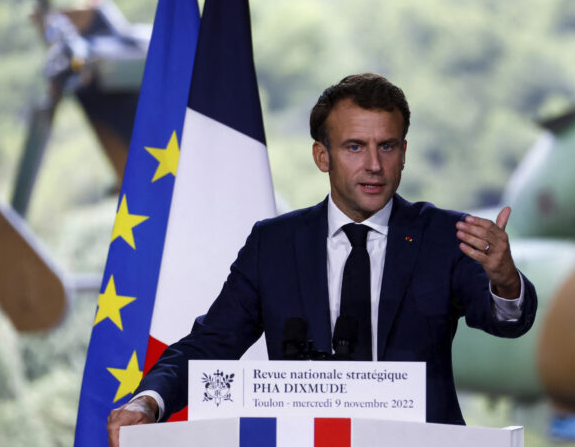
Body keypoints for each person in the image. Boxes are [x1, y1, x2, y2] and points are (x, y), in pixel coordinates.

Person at [106, 73, 537, 445]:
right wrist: (150, 401)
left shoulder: (444, 235)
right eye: (354, 147)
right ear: (321, 156)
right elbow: (210, 343)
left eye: (386, 146)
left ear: (403, 153)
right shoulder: (273, 244)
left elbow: (506, 320)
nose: (373, 165)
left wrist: (505, 281)